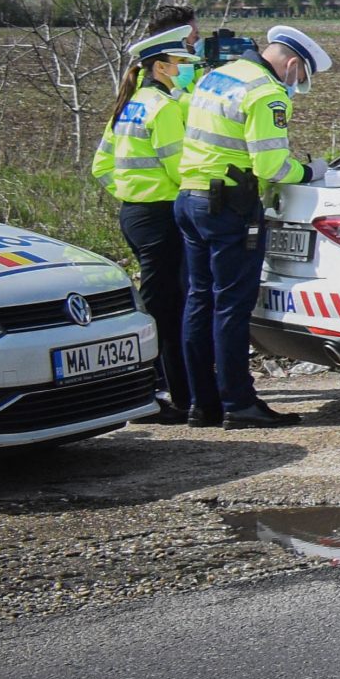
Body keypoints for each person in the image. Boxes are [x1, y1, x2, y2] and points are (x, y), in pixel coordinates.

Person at [175, 24, 331, 428]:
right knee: (231, 305)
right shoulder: (266, 93)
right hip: (229, 206)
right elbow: (271, 166)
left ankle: (201, 403)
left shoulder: (218, 76)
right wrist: (311, 170)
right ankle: (239, 403)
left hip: (190, 197)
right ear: (293, 64)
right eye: (301, 77)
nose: (298, 85)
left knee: (199, 301)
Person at [89, 25, 199, 421]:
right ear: (162, 67)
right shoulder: (164, 108)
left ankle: (156, 391)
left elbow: (100, 165)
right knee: (166, 309)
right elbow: (181, 168)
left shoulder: (129, 104)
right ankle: (167, 395)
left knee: (155, 302)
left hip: (134, 214)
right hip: (162, 215)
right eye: (183, 62)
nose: (188, 68)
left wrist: (131, 191)